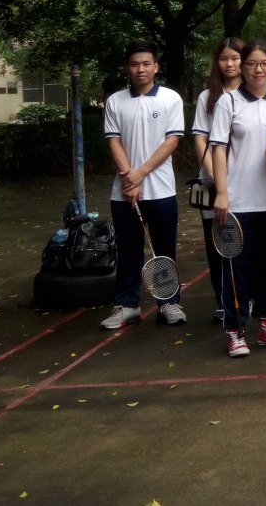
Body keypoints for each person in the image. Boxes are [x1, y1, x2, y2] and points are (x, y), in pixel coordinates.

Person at [209, 40, 266, 357]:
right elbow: (218, 148)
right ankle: (235, 330)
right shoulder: (228, 101)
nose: (259, 69)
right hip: (238, 203)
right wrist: (222, 191)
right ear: (242, 67)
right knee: (236, 272)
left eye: (265, 63)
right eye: (252, 63)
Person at [100, 41, 186, 330]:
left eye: (146, 63)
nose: (141, 69)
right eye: (135, 64)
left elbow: (172, 140)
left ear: (156, 67)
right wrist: (129, 178)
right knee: (128, 251)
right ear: (128, 68)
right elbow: (114, 141)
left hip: (161, 190)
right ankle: (127, 305)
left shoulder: (171, 99)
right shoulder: (115, 101)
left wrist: (140, 174)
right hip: (124, 192)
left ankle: (169, 302)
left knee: (164, 250)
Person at [191, 36, 243, 323]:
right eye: (224, 58)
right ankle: (222, 300)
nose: (230, 63)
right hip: (213, 183)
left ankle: (246, 298)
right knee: (218, 244)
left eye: (235, 58)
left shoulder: (254, 93)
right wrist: (216, 176)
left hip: (247, 180)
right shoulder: (207, 97)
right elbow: (201, 138)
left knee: (245, 241)